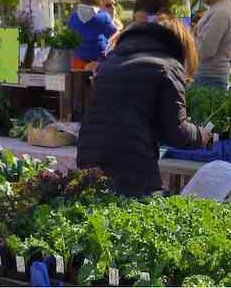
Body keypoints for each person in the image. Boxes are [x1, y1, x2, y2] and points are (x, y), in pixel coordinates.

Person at [77, 17, 209, 196]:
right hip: (132, 163)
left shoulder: (112, 61)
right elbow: (176, 132)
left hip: (90, 156)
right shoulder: (168, 66)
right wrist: (202, 135)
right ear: (183, 45)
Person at [191, 0, 231, 89]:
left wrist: (189, 39)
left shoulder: (221, 13)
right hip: (209, 77)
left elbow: (205, 50)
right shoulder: (217, 9)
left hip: (209, 79)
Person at [68, 0, 118, 70]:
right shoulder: (104, 16)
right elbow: (113, 33)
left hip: (78, 59)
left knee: (78, 80)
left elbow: (70, 33)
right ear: (99, 3)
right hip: (98, 60)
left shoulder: (73, 17)